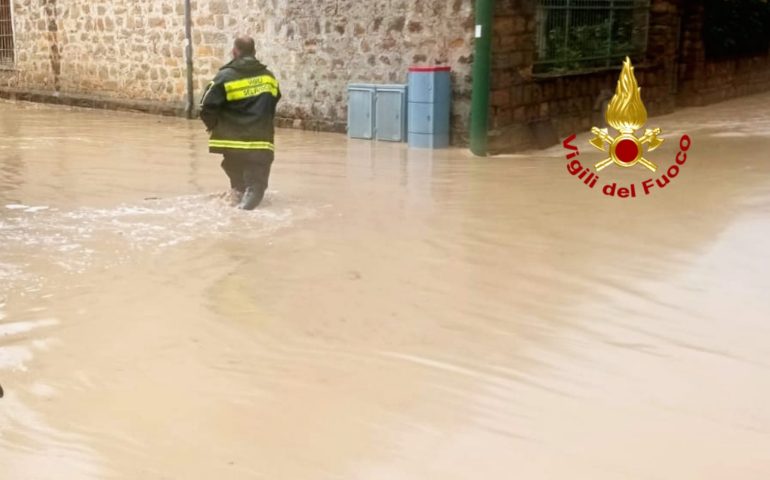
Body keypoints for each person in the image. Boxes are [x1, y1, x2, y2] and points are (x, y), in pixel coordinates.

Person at [200, 35, 281, 210]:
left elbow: (206, 106)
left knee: (238, 187)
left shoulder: (224, 76)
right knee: (255, 187)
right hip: (260, 142)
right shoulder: (269, 77)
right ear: (254, 52)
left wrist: (214, 126)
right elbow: (273, 102)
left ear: (235, 52)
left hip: (231, 142)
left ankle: (235, 221)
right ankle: (244, 222)